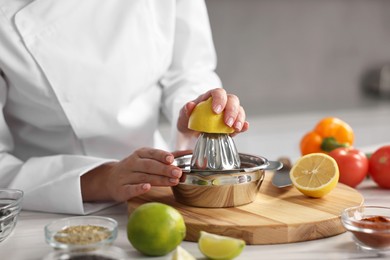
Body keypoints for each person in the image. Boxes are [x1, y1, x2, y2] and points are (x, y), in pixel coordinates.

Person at [0, 0, 249, 214]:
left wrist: (196, 111)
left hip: (158, 184)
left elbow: (189, 72)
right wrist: (104, 179)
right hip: (48, 200)